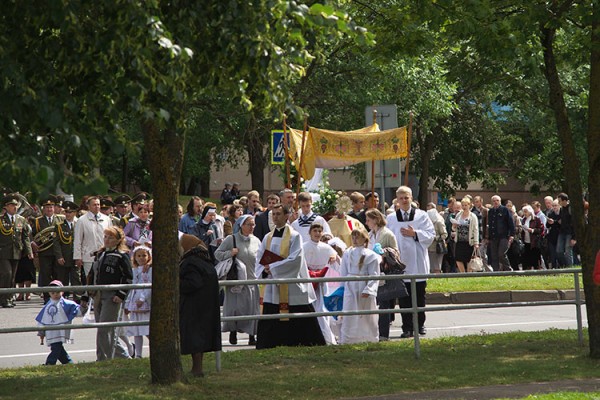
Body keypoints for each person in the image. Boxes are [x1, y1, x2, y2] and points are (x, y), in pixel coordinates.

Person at [255, 204, 326, 349]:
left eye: (278, 214)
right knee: (271, 316)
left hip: (291, 285)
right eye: (273, 214)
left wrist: (273, 268)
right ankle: (268, 345)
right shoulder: (267, 237)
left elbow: (296, 259)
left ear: (287, 216)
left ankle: (309, 343)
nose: (275, 217)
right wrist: (264, 269)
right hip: (273, 285)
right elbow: (259, 257)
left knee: (301, 317)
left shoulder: (294, 236)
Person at [386, 186, 435, 338]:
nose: (404, 200)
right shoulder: (391, 218)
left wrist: (415, 234)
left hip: (418, 261)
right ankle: (407, 327)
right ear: (397, 200)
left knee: (419, 296)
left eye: (406, 197)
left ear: (411, 198)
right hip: (401, 264)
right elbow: (387, 237)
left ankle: (420, 325)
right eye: (401, 198)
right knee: (404, 298)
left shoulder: (422, 216)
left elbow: (431, 234)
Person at [214, 215, 261, 346]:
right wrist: (230, 253)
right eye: (249, 224)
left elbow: (261, 258)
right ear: (241, 225)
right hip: (235, 280)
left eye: (253, 225)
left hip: (251, 279)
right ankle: (233, 331)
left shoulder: (257, 241)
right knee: (234, 308)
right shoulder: (231, 239)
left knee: (252, 309)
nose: (252, 227)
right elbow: (217, 254)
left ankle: (252, 335)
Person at [88, 226, 133, 361]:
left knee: (105, 329)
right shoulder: (100, 254)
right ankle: (106, 357)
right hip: (98, 294)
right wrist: (87, 293)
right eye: (105, 236)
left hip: (112, 295)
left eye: (111, 237)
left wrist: (121, 294)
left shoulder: (121, 256)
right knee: (101, 330)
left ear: (118, 240)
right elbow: (92, 274)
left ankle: (107, 359)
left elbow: (128, 277)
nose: (107, 240)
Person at [179, 234, 222, 377]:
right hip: (206, 306)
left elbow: (193, 283)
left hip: (194, 307)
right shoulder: (205, 260)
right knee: (200, 339)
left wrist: (176, 284)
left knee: (194, 339)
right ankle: (198, 368)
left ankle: (197, 370)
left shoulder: (190, 262)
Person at [340, 228, 380, 344]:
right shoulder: (347, 253)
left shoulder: (371, 255)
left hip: (363, 285)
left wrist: (369, 289)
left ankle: (370, 338)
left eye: (358, 237)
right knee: (349, 312)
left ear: (365, 239)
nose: (355, 240)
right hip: (350, 285)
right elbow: (343, 271)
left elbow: (374, 274)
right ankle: (347, 339)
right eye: (353, 237)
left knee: (366, 313)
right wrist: (342, 286)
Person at [364, 208, 397, 341]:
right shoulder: (370, 234)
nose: (366, 223)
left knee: (384, 303)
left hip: (384, 271)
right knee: (373, 303)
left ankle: (383, 334)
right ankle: (373, 332)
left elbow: (395, 252)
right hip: (371, 271)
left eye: (368, 220)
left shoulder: (387, 234)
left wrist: (383, 252)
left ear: (376, 220)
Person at [303, 223, 338, 345]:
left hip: (322, 282)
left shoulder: (326, 247)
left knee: (323, 310)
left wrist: (334, 257)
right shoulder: (304, 247)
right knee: (311, 308)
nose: (317, 233)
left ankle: (327, 337)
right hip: (309, 281)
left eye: (319, 231)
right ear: (310, 233)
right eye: (315, 231)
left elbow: (336, 257)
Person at [36, 280, 86, 365]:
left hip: (61, 330)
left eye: (57, 292)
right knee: (58, 348)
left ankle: (50, 363)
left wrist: (83, 307)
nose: (55, 294)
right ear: (49, 293)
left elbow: (77, 311)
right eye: (52, 292)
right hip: (51, 331)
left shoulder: (67, 304)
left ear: (62, 291)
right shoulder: (47, 305)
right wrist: (41, 332)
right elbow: (42, 319)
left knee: (56, 348)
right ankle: (68, 362)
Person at [0, 194, 33, 308]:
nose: (14, 207)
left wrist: (29, 251)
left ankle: (8, 297)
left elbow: (25, 237)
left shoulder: (21, 219)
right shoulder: (1, 219)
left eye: (15, 205)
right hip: (3, 252)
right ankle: (4, 298)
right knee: (7, 274)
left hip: (16, 252)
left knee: (13, 276)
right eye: (11, 205)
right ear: (6, 207)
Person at [73, 196, 113, 278]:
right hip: (88, 256)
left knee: (103, 278)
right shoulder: (82, 220)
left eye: (98, 204)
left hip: (104, 255)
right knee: (90, 279)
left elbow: (111, 236)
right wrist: (78, 257)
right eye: (94, 205)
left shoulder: (106, 219)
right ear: (89, 206)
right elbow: (78, 240)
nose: (97, 206)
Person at [32, 195, 62, 303]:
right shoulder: (37, 221)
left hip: (57, 252)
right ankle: (47, 297)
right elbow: (33, 235)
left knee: (57, 274)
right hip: (44, 252)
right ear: (43, 209)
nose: (49, 209)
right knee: (45, 275)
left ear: (54, 208)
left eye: (51, 207)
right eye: (47, 207)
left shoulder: (60, 219)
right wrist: (33, 243)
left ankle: (57, 296)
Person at [124, 246, 152, 358]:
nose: (141, 258)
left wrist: (142, 299)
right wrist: (127, 303)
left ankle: (153, 352)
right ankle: (138, 355)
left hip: (144, 301)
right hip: (134, 301)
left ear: (148, 256)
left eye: (144, 255)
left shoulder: (149, 270)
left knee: (147, 329)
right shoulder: (134, 270)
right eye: (138, 256)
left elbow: (149, 285)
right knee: (136, 330)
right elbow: (132, 287)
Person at [53, 201, 80, 302]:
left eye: (70, 212)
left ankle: (77, 300)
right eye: (67, 212)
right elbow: (56, 243)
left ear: (75, 213)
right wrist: (59, 256)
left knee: (76, 279)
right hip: (64, 257)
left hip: (75, 256)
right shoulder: (59, 226)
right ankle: (62, 299)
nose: (68, 214)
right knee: (62, 279)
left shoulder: (79, 224)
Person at [486, 195, 515, 271]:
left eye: (497, 201)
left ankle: (508, 269)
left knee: (501, 254)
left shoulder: (505, 210)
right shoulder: (491, 211)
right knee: (494, 255)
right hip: (493, 236)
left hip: (503, 236)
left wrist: (512, 235)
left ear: (500, 201)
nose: (495, 202)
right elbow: (490, 224)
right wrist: (488, 237)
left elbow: (511, 223)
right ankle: (496, 271)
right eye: (494, 201)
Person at [451, 197, 479, 273]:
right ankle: (463, 273)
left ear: (469, 205)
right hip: (459, 240)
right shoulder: (458, 215)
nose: (464, 207)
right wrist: (454, 226)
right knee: (458, 259)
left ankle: (469, 274)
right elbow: (453, 229)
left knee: (469, 259)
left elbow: (476, 230)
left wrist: (476, 242)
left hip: (469, 241)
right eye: (463, 205)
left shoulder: (473, 216)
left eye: (466, 205)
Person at [520, 205, 544, 270]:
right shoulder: (524, 220)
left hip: (534, 242)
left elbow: (541, 229)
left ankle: (537, 270)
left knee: (535, 257)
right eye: (524, 212)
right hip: (526, 241)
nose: (525, 213)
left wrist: (533, 230)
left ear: (530, 211)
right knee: (527, 258)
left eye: (526, 211)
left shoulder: (536, 219)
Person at [556, 193, 576, 267]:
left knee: (568, 251)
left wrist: (574, 237)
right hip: (562, 232)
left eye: (560, 201)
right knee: (559, 250)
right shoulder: (561, 209)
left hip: (569, 233)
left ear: (564, 200)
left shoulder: (570, 208)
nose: (559, 203)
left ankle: (570, 267)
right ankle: (564, 265)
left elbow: (574, 223)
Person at [427, 208, 448, 274]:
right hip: (429, 247)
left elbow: (445, 234)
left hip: (437, 247)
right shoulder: (428, 223)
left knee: (437, 265)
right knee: (431, 265)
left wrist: (435, 238)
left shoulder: (439, 222)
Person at [546, 199, 562, 268]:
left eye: (556, 205)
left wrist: (554, 222)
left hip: (560, 235)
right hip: (552, 236)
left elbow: (561, 223)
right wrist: (550, 222)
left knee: (559, 253)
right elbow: (547, 225)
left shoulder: (562, 213)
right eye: (553, 206)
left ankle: (562, 266)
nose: (554, 207)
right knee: (552, 255)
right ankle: (554, 268)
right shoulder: (551, 213)